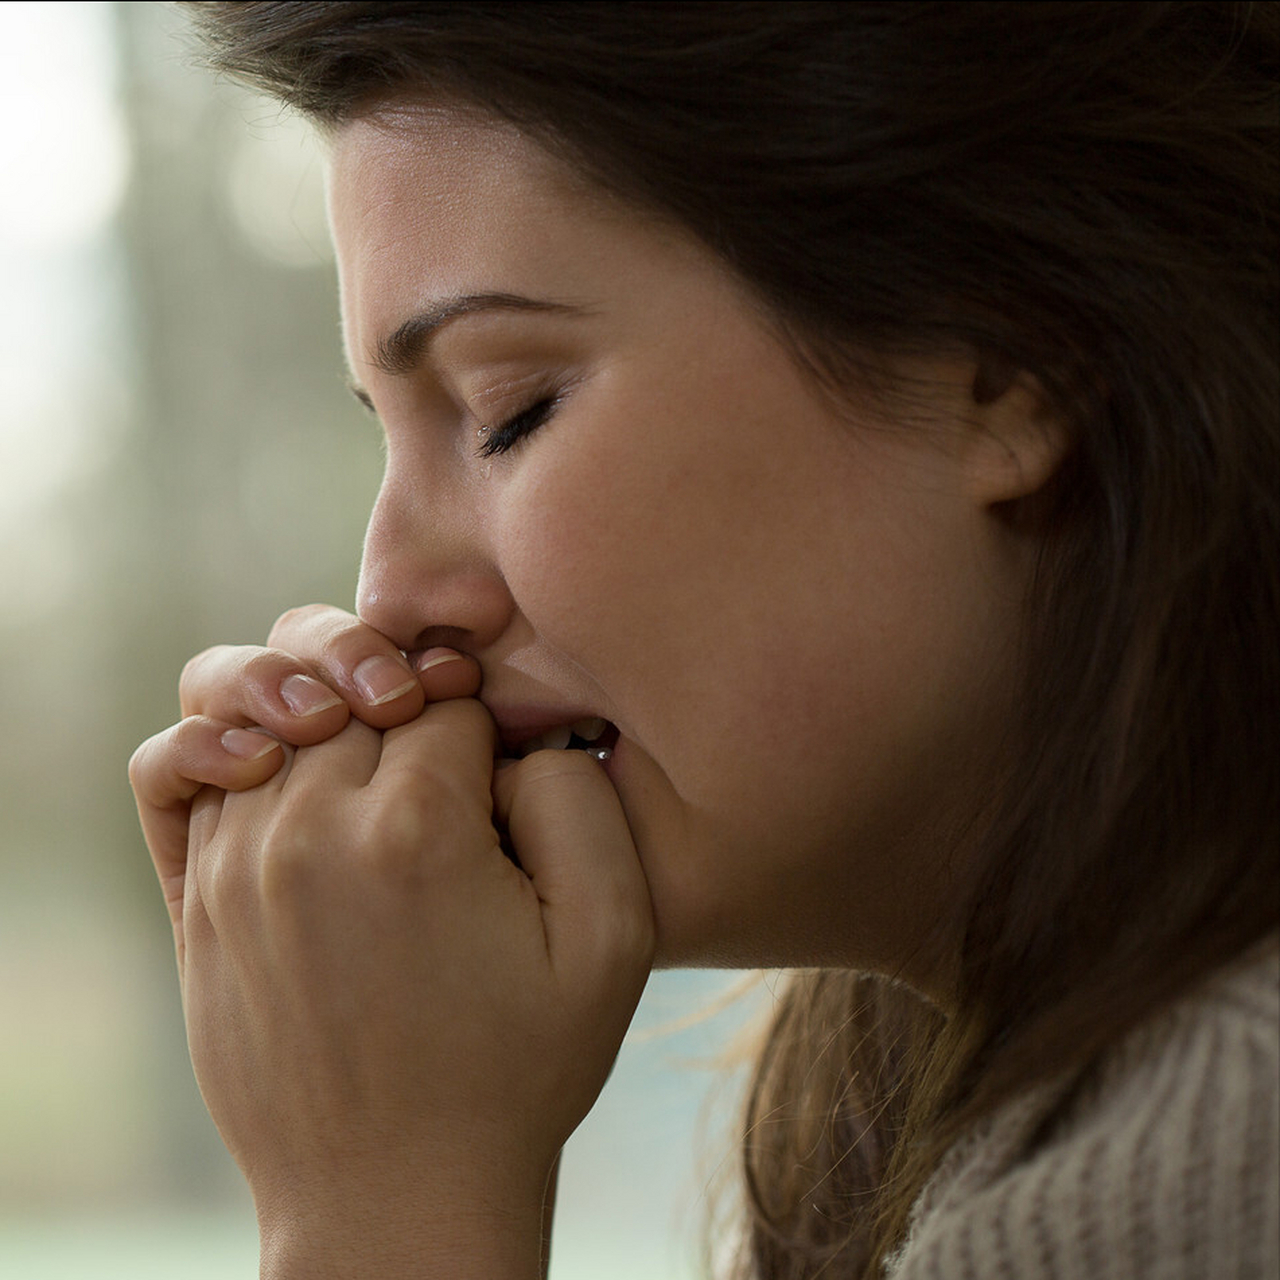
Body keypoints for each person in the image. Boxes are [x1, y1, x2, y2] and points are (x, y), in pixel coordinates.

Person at [127, 4, 1279, 1278]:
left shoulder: (1180, 1180)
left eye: (510, 410)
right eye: (388, 433)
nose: (390, 595)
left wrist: (383, 1204)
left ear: (1013, 361)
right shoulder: (898, 1105)